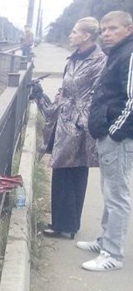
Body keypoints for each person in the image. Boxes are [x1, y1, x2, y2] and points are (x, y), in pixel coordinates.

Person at [38, 17, 106, 240]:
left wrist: (82, 121)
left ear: (86, 36)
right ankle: (65, 223)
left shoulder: (99, 62)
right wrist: (46, 103)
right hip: (65, 121)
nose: (70, 35)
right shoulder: (74, 58)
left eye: (75, 31)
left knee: (72, 172)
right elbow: (64, 90)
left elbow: (98, 96)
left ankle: (64, 226)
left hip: (79, 126)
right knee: (65, 172)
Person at [77, 11, 133, 271]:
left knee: (117, 196)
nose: (107, 33)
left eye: (113, 29)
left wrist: (114, 132)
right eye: (104, 30)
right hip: (108, 135)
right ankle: (105, 241)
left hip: (118, 139)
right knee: (109, 193)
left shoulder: (129, 54)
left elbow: (131, 100)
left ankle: (113, 254)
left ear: (128, 29)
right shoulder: (117, 54)